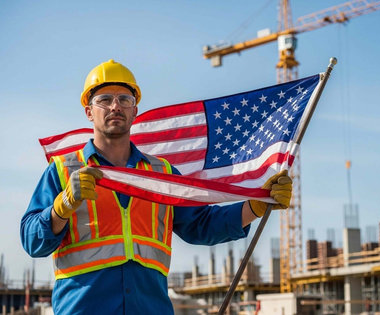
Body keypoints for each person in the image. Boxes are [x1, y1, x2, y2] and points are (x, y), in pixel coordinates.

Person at [20, 59, 292, 314]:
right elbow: (32, 242)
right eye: (104, 99)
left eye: (124, 99)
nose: (115, 106)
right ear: (89, 112)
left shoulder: (161, 174)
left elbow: (200, 224)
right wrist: (61, 208)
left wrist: (255, 205)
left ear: (135, 110)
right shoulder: (63, 171)